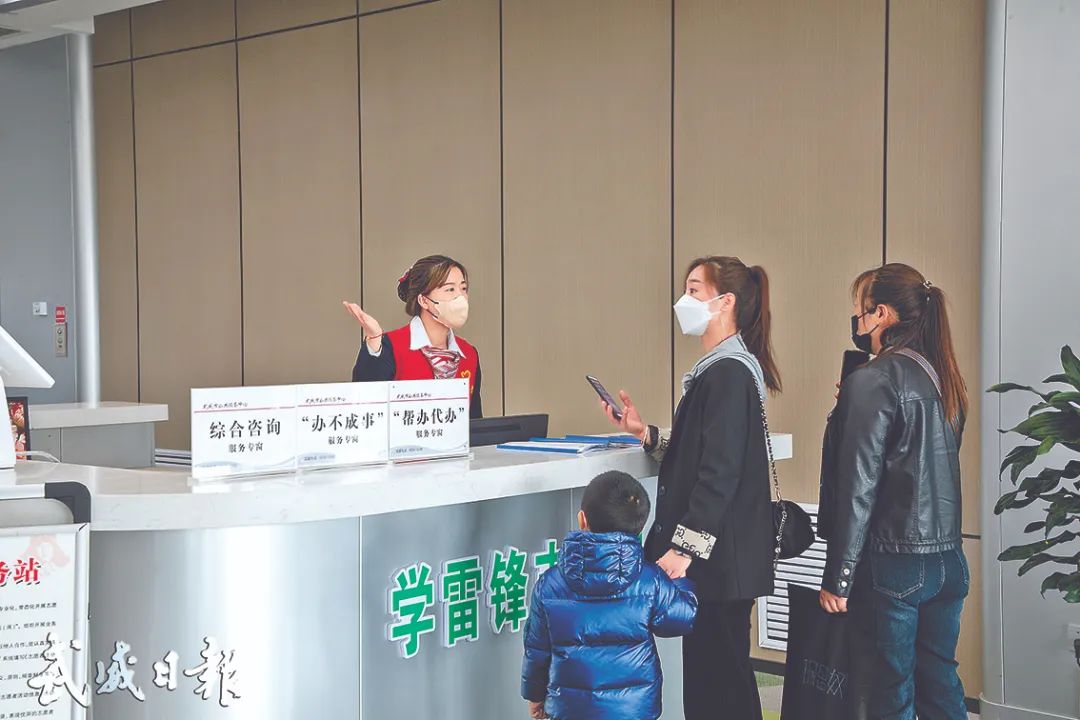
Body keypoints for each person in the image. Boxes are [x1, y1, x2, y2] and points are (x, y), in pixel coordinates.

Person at [602, 255, 781, 720]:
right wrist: (644, 434)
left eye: (695, 290)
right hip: (719, 558)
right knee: (719, 677)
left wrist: (685, 548)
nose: (685, 299)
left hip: (717, 561)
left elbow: (719, 472)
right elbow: (700, 453)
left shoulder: (729, 372)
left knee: (719, 684)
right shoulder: (719, 369)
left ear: (726, 302)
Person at [818, 263, 969, 720]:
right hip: (948, 561)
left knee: (890, 692)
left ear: (881, 314)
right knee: (940, 684)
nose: (857, 320)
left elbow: (858, 485)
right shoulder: (943, 377)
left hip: (893, 564)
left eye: (860, 310)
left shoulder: (873, 379)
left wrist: (839, 575)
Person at [521, 470, 697, 720]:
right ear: (640, 526)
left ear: (582, 519)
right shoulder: (651, 580)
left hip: (570, 710)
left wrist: (535, 696)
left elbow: (537, 650)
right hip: (634, 709)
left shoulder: (550, 584)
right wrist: (681, 581)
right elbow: (680, 620)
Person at [344, 254, 483, 418]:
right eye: (450, 289)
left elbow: (474, 423)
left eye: (463, 289)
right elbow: (365, 406)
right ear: (424, 301)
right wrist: (374, 340)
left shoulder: (469, 354)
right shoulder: (390, 346)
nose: (461, 297)